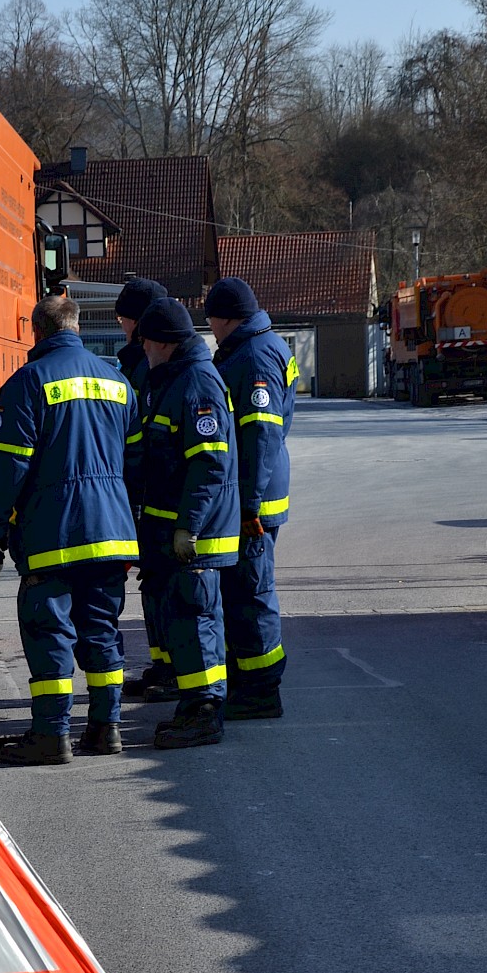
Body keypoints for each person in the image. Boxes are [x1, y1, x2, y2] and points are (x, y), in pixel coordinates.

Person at [0, 291, 139, 764]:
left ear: (37, 332)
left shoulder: (27, 383)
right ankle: (107, 729)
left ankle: (52, 734)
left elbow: (8, 467)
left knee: (49, 630)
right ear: (77, 328)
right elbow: (135, 459)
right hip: (111, 530)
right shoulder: (118, 381)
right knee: (102, 631)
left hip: (54, 534)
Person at [132, 297, 239, 749]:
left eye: (145, 345)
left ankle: (205, 711)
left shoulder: (196, 383)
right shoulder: (174, 379)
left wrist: (187, 527)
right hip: (176, 528)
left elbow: (209, 464)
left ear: (161, 343)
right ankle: (193, 705)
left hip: (197, 533)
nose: (142, 353)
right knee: (183, 618)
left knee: (197, 620)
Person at [206, 278, 298, 720]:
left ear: (226, 318)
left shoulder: (256, 354)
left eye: (212, 321)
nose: (211, 329)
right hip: (255, 489)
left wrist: (249, 505)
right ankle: (249, 679)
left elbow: (261, 433)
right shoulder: (258, 346)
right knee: (244, 588)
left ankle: (262, 689)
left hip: (253, 496)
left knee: (252, 589)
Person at [111, 276, 174, 701]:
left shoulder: (145, 365)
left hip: (155, 493)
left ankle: (173, 669)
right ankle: (164, 664)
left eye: (122, 321)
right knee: (153, 583)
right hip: (151, 493)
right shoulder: (143, 361)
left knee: (166, 585)